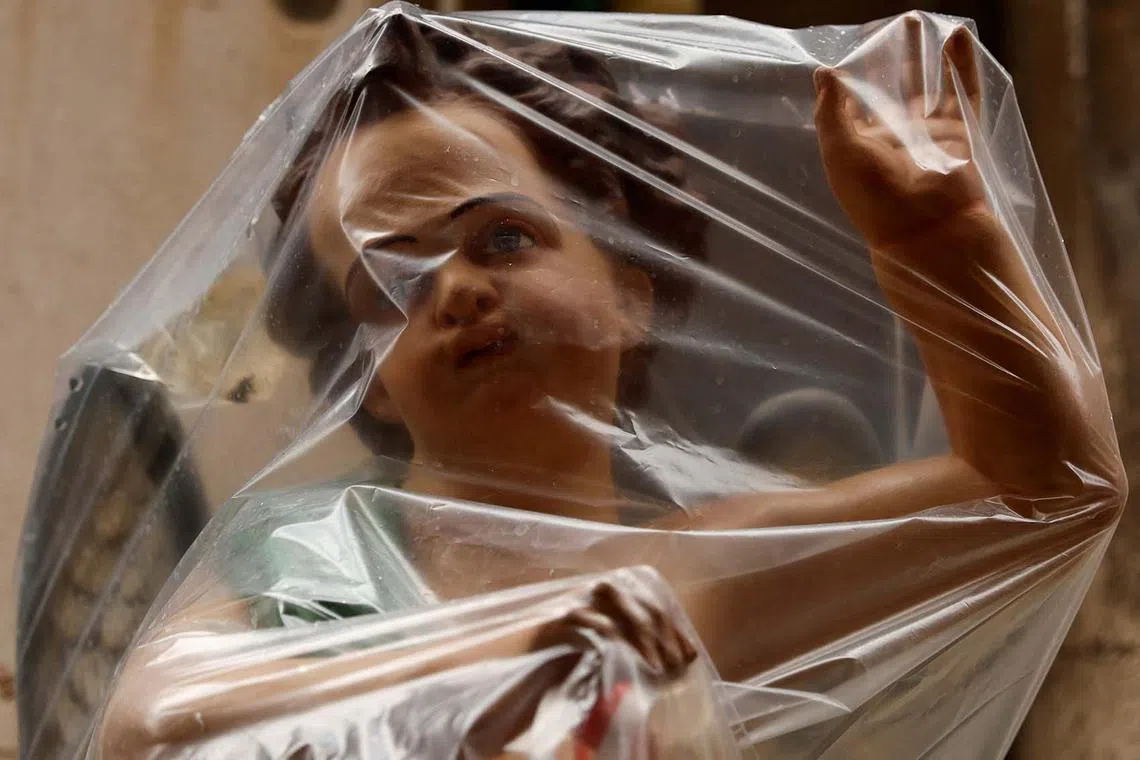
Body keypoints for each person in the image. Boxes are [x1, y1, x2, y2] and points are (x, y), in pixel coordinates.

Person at [97, 11, 1124, 757]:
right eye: (390, 283)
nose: (453, 291)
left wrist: (938, 235)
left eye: (502, 237)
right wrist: (513, 651)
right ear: (360, 381)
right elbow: (143, 727)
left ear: (631, 291)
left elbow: (1050, 488)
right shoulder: (298, 558)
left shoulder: (701, 577)